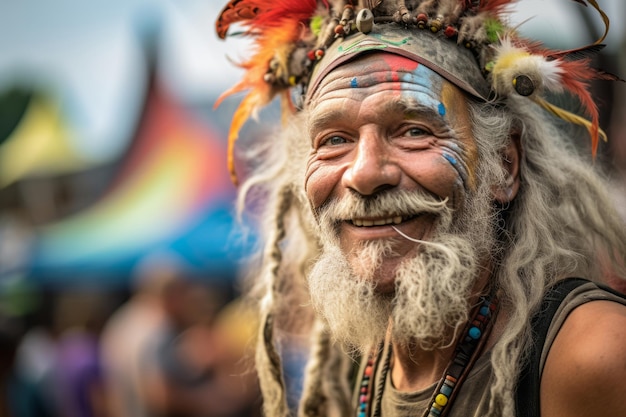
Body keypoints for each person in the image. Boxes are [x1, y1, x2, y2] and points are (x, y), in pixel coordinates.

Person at [215, 1, 626, 416]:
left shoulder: (592, 353)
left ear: (503, 165)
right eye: (335, 140)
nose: (365, 174)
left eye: (414, 131)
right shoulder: (363, 356)